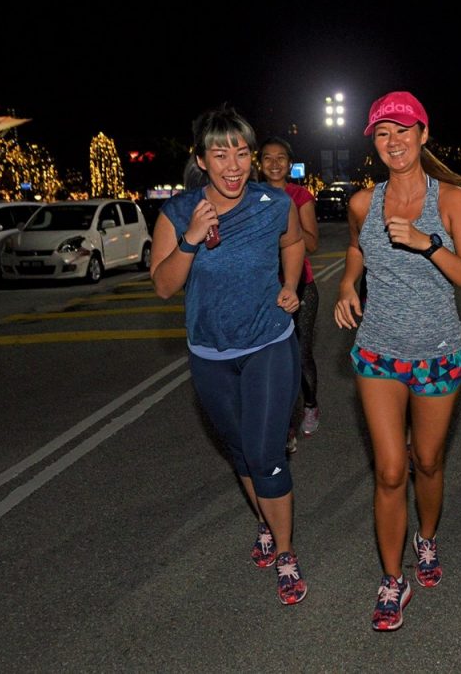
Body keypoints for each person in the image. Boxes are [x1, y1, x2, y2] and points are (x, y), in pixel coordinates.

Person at [334, 91, 461, 631]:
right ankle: (392, 580)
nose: (393, 142)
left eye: (402, 130)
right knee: (390, 470)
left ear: (423, 134)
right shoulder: (362, 203)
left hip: (438, 353)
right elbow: (356, 248)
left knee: (427, 461)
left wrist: (427, 243)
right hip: (377, 350)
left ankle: (427, 539)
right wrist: (349, 284)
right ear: (374, 143)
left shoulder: (452, 201)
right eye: (382, 133)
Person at [150, 105, 308, 605]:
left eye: (242, 152)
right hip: (209, 352)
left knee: (265, 455)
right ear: (202, 159)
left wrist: (289, 286)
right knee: (240, 449)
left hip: (267, 342)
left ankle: (285, 553)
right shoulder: (177, 213)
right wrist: (192, 238)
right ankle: (264, 521)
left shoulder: (273, 202)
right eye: (221, 153)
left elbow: (295, 242)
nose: (234, 164)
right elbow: (163, 286)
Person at [259, 137, 321, 452]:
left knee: (299, 354)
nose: (274, 164)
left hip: (300, 288)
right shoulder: (251, 196)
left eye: (280, 158)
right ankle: (285, 427)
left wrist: (285, 228)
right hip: (264, 291)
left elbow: (311, 244)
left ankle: (310, 404)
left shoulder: (299, 195)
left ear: (290, 163)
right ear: (259, 163)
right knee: (272, 362)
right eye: (267, 158)